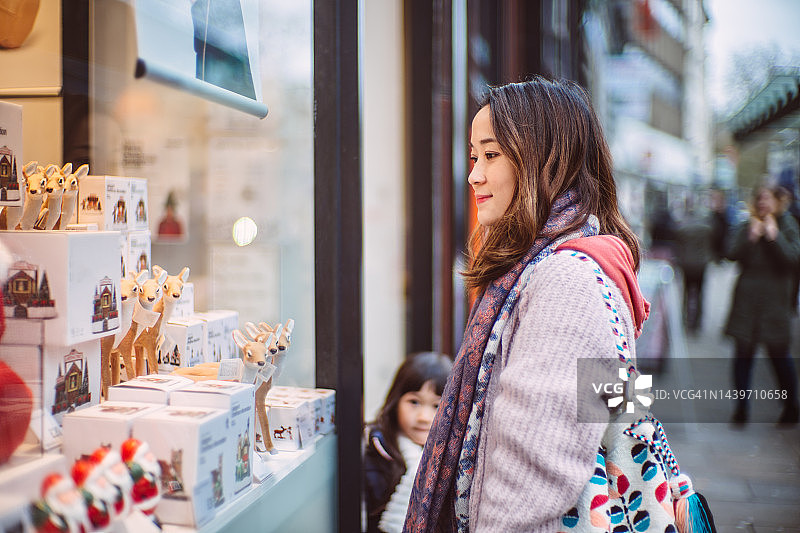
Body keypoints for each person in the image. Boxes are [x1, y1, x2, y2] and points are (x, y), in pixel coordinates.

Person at [405, 78, 650, 531]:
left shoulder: (567, 279)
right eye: (474, 156)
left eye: (491, 154)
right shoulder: (582, 258)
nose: (475, 174)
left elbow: (538, 469)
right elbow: (607, 411)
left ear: (544, 158)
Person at [725, 185, 800, 426]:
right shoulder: (747, 225)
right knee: (742, 355)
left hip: (775, 303)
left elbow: (792, 259)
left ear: (778, 202)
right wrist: (751, 237)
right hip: (746, 302)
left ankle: (790, 406)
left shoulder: (787, 225)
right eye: (760, 199)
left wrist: (774, 237)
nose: (763, 204)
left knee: (780, 356)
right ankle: (741, 407)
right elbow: (730, 253)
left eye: (768, 200)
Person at [363, 351, 453, 533]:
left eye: (437, 406)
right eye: (414, 402)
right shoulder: (376, 453)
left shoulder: (455, 456)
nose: (424, 417)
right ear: (396, 401)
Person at [674, 202, 712, 333]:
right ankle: (697, 322)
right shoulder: (706, 229)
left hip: (687, 264)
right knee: (700, 293)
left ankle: (685, 319)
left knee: (686, 292)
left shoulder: (683, 229)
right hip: (701, 264)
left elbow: (678, 245)